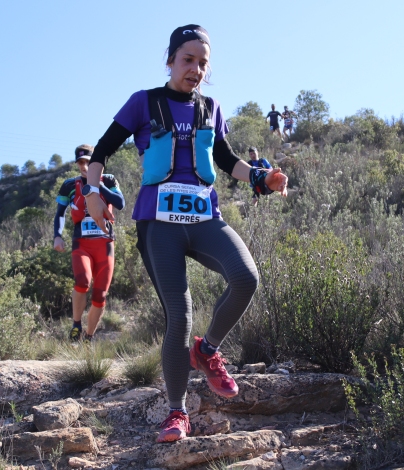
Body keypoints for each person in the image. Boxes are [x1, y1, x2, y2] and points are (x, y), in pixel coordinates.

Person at [82, 25, 288, 443]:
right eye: (188, 60)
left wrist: (261, 177)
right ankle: (176, 412)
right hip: (159, 225)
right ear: (171, 60)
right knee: (180, 315)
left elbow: (226, 159)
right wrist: (92, 193)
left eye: (203, 63)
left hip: (205, 218)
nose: (196, 69)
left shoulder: (210, 107)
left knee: (246, 278)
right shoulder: (144, 102)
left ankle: (207, 351)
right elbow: (102, 149)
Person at [53, 144, 125, 342]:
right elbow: (60, 213)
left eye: (88, 162)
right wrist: (57, 236)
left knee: (100, 295)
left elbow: (120, 203)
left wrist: (97, 185)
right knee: (82, 281)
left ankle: (89, 336)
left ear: (96, 162)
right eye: (80, 163)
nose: (84, 166)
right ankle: (76, 325)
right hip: (82, 244)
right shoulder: (69, 185)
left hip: (105, 244)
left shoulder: (108, 180)